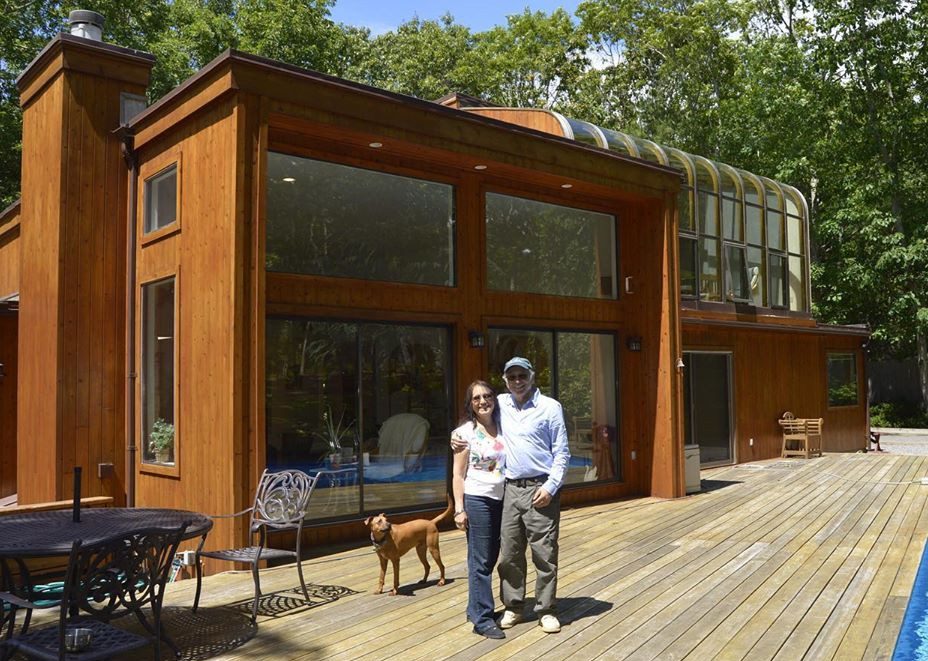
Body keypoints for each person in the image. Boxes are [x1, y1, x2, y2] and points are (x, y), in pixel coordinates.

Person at [452, 356, 570, 634]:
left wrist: (551, 487)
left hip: (541, 488)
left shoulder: (550, 407)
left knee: (544, 552)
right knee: (509, 555)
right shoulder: (501, 403)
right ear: (505, 380)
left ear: (532, 376)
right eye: (512, 377)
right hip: (510, 489)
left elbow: (562, 453)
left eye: (522, 375)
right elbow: (473, 422)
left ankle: (546, 609)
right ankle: (514, 607)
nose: (517, 381)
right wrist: (455, 436)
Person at [451, 380, 507, 640]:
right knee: (481, 561)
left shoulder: (505, 425)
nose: (483, 401)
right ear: (470, 404)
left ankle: (475, 608)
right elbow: (458, 475)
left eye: (487, 396)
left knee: (491, 556)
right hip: (477, 500)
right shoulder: (464, 434)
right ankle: (483, 619)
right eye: (476, 398)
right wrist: (459, 510)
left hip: (503, 499)